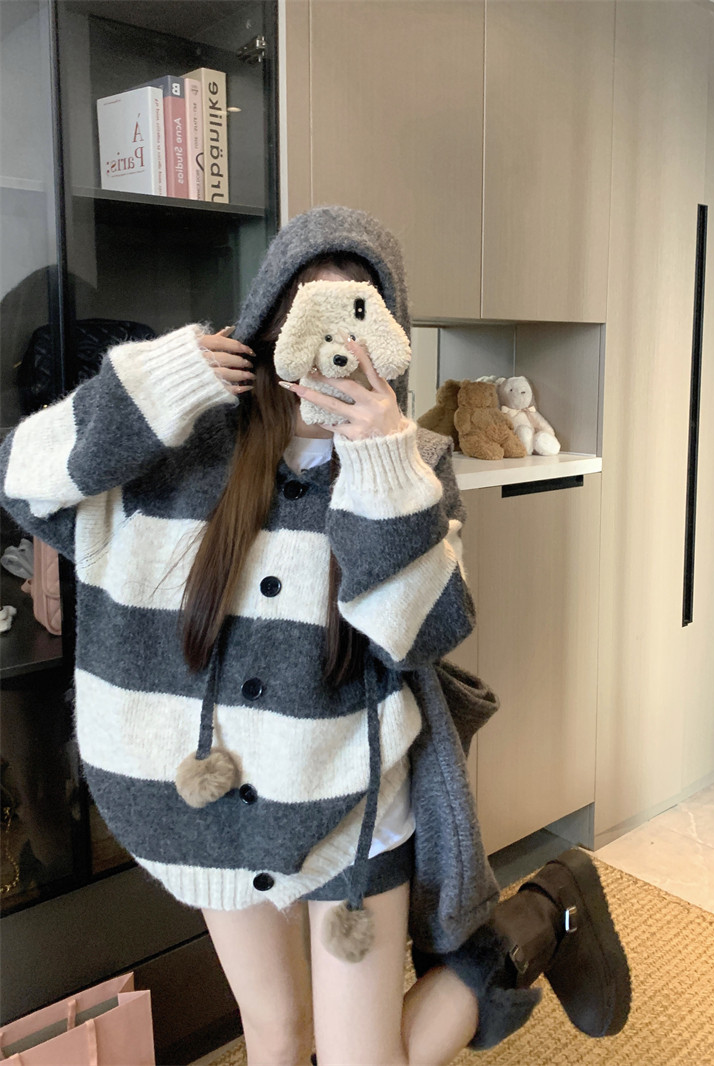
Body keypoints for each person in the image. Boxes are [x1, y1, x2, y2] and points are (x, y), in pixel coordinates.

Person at [0, 206, 629, 1065]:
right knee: (276, 1031)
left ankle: (540, 917)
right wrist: (154, 385)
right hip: (214, 809)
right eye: (309, 307)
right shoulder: (183, 444)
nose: (333, 341)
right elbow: (23, 482)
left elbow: (424, 632)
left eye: (358, 312)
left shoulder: (416, 463)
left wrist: (381, 461)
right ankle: (543, 916)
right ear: (268, 322)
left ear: (389, 339)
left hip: (350, 808)